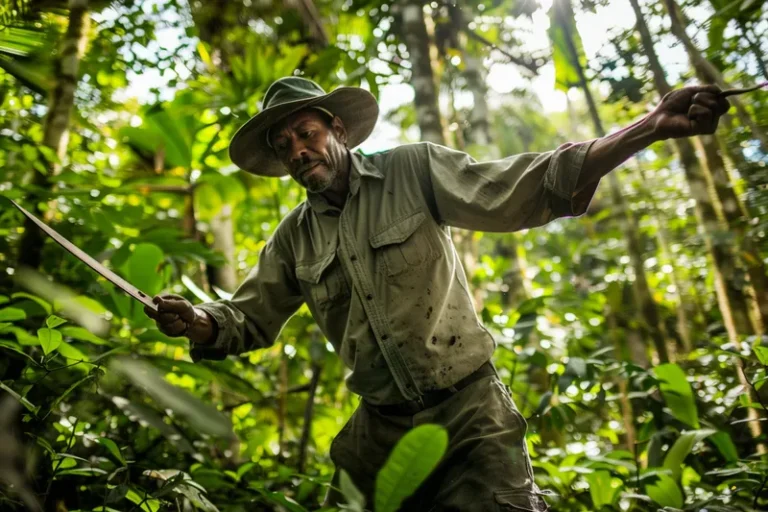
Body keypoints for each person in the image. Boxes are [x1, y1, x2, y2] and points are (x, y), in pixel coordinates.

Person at [145, 76, 730, 511]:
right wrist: (193, 318)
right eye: (284, 145)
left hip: (471, 413)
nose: (298, 150)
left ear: (336, 131)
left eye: (307, 132)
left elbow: (520, 184)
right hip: (380, 435)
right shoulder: (292, 238)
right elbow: (245, 319)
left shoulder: (413, 169)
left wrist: (650, 125)